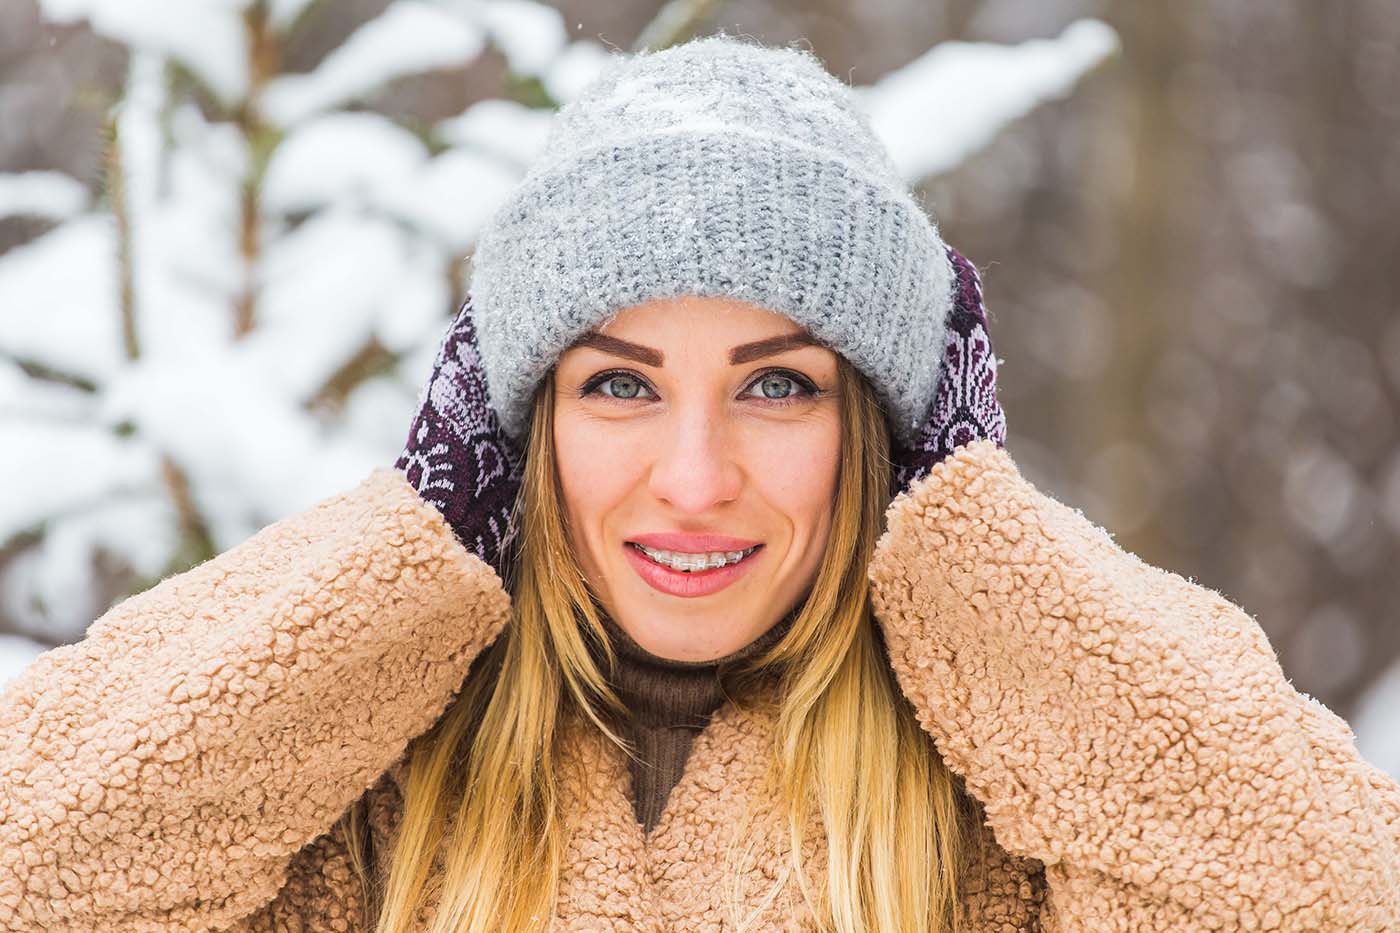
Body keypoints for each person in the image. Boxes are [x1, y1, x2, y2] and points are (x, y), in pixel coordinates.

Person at [2, 34, 1397, 933]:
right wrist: (407, 545)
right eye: (618, 383)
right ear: (514, 429)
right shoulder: (375, 797)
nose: (693, 475)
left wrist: (980, 552)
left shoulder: (1015, 815)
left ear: (887, 428)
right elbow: (36, 858)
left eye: (778, 384)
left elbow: (1337, 892)